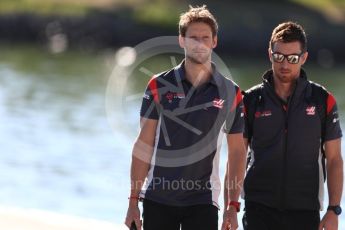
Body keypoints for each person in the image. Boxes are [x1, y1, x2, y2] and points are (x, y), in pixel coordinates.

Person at [124, 5, 247, 230]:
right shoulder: (158, 85)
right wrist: (133, 201)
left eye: (205, 38)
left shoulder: (231, 92)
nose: (199, 43)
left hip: (203, 201)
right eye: (193, 38)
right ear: (181, 40)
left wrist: (232, 206)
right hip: (157, 198)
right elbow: (143, 144)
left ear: (214, 42)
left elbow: (238, 152)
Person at [240, 21, 343, 230]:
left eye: (293, 58)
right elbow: (236, 156)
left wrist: (333, 209)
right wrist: (231, 206)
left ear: (304, 58)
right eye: (279, 57)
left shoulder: (323, 100)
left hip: (305, 211)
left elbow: (334, 159)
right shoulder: (250, 100)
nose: (284, 64)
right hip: (258, 209)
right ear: (270, 54)